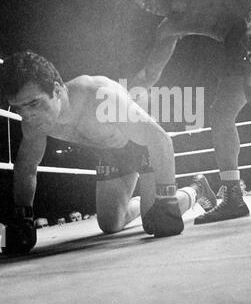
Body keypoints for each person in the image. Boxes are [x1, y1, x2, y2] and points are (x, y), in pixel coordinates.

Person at [124, 0, 251, 224]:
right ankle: (232, 197)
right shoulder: (169, 28)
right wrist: (122, 98)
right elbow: (150, 72)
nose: (146, 6)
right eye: (141, 6)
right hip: (233, 43)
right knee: (220, 115)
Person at [0, 51, 216, 255]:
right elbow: (27, 167)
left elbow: (159, 139)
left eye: (34, 103)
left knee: (153, 222)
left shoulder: (100, 97)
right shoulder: (34, 124)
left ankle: (197, 190)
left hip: (143, 147)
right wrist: (23, 215)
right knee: (111, 224)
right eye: (19, 108)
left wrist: (166, 196)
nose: (27, 115)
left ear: (57, 90)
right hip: (110, 153)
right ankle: (149, 203)